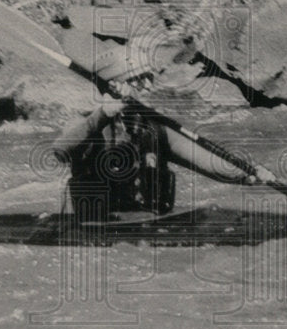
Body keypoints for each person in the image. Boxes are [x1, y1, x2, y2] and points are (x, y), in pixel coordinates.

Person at [52, 43, 274, 219]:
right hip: (98, 225)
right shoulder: (85, 122)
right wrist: (102, 115)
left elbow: (209, 163)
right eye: (139, 81)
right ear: (114, 85)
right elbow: (61, 151)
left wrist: (248, 174)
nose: (147, 87)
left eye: (147, 80)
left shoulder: (156, 129)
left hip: (150, 221)